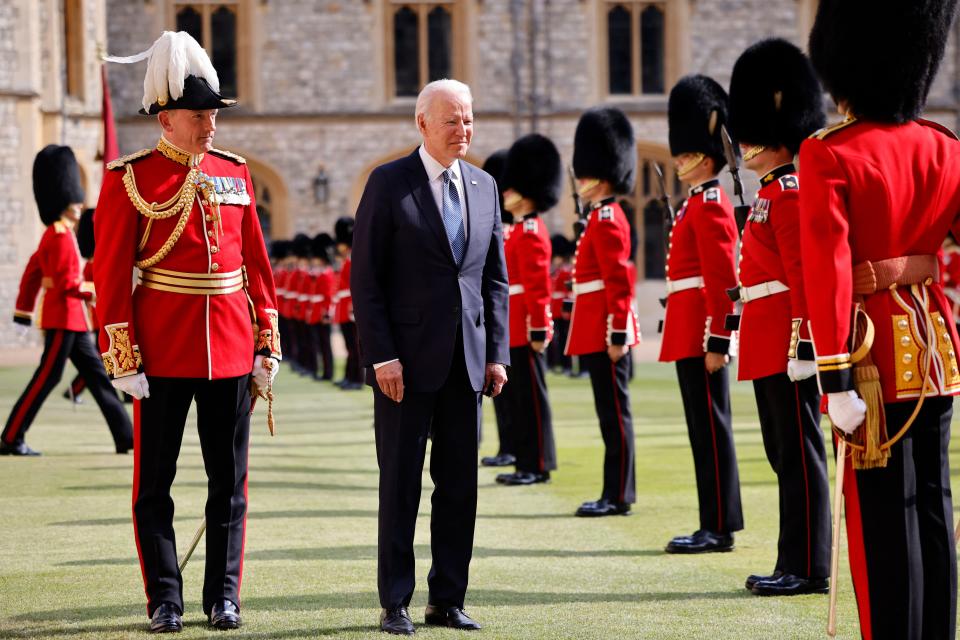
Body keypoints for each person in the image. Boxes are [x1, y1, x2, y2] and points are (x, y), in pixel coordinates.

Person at [96, 31, 280, 633]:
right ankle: (165, 600)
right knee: (156, 486)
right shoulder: (130, 178)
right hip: (163, 351)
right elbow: (112, 272)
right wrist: (123, 354)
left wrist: (266, 341)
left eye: (212, 115)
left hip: (228, 347)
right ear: (167, 118)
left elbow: (255, 262)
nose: (211, 127)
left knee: (229, 486)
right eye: (199, 116)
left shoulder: (234, 172)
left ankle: (223, 596)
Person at [801, 1, 960, 637]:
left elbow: (829, 271)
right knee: (932, 506)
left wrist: (834, 379)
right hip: (935, 353)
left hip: (868, 361)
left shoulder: (829, 153)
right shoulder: (945, 147)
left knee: (881, 522)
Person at [351, 78, 509, 635]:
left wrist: (497, 354)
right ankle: (394, 602)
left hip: (466, 364)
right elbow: (365, 281)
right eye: (452, 120)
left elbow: (493, 280)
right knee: (401, 484)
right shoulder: (388, 183)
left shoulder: (486, 186)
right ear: (422, 123)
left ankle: (447, 599)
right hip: (404, 367)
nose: (463, 130)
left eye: (468, 119)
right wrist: (381, 357)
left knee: (459, 488)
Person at [727, 38, 831, 595]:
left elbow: (805, 275)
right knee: (782, 455)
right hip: (768, 341)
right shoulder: (770, 193)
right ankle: (793, 559)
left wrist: (807, 344)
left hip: (790, 345)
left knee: (798, 453)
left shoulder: (789, 193)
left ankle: (811, 566)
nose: (744, 143)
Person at [3, 147, 133, 456]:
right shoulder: (60, 236)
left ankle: (126, 437)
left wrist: (23, 310)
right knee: (46, 379)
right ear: (63, 201)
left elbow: (33, 272)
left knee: (99, 378)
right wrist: (94, 289)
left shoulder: (58, 234)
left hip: (72, 319)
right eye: (74, 198)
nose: (79, 203)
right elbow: (66, 284)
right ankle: (10, 437)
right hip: (63, 318)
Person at [660, 75, 743, 553]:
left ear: (705, 157)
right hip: (687, 327)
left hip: (702, 334)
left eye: (686, 153)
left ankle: (719, 527)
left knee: (711, 431)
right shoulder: (695, 203)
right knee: (702, 430)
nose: (677, 160)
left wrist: (719, 340)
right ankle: (712, 520)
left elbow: (721, 282)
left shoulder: (711, 204)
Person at [565, 107, 640, 517]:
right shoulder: (597, 217)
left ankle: (619, 494)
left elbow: (619, 282)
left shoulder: (609, 218)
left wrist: (616, 334)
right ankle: (612, 491)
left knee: (615, 415)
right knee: (607, 416)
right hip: (594, 328)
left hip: (605, 332)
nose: (579, 181)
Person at [495, 134, 561, 486]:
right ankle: (525, 461)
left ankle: (537, 464)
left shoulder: (532, 232)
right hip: (513, 325)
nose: (506, 192)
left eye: (512, 187)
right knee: (520, 399)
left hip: (525, 326)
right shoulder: (519, 231)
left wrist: (539, 329)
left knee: (532, 399)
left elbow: (538, 289)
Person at [479, 149, 516, 468]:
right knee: (503, 399)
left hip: (515, 322)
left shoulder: (523, 232)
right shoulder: (506, 229)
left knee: (522, 399)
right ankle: (509, 446)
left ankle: (522, 453)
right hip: (498, 321)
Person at [333, 217, 363, 390]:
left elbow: (355, 285)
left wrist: (353, 307)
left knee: (354, 346)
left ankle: (356, 379)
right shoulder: (347, 260)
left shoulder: (352, 260)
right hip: (344, 308)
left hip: (350, 308)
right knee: (349, 346)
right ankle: (349, 376)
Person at [306, 232, 336, 381]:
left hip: (322, 313)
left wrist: (326, 314)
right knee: (319, 344)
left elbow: (328, 297)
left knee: (325, 345)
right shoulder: (320, 273)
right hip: (316, 312)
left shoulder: (327, 274)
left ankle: (328, 373)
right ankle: (323, 372)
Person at [549, 235, 574, 375]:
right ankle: (556, 363)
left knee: (564, 337)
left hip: (562, 307)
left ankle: (567, 365)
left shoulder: (566, 271)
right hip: (554, 307)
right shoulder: (556, 270)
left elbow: (566, 291)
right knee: (556, 338)